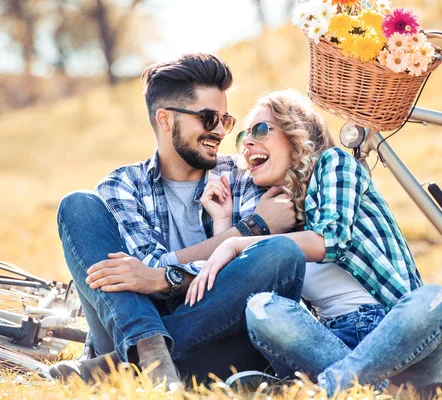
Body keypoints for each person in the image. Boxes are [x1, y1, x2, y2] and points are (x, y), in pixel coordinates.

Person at [49, 54, 306, 389]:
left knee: (282, 255)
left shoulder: (243, 176)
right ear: (166, 119)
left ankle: (126, 367)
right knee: (77, 206)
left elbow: (238, 276)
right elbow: (146, 274)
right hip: (129, 329)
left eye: (225, 120)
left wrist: (158, 278)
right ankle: (149, 348)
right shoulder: (122, 186)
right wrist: (249, 229)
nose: (219, 131)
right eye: (209, 118)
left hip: (223, 339)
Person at [188, 89, 442, 398]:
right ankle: (381, 392)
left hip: (396, 335)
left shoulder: (335, 164)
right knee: (261, 308)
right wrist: (224, 222)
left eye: (261, 130)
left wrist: (237, 244)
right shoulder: (280, 215)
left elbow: (331, 240)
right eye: (243, 138)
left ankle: (327, 388)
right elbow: (237, 287)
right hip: (331, 341)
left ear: (296, 133)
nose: (248, 143)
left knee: (436, 298)